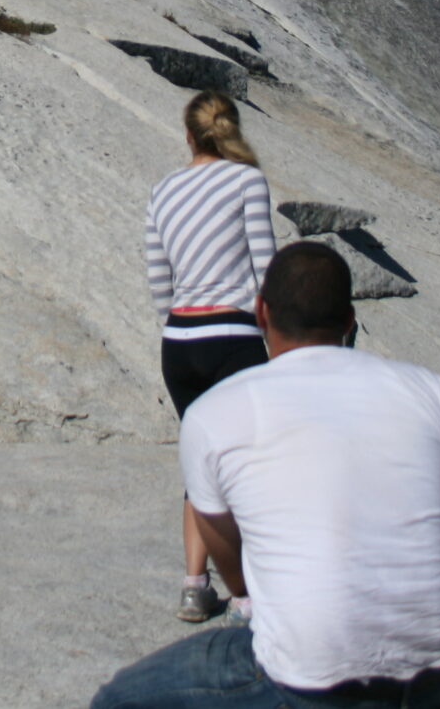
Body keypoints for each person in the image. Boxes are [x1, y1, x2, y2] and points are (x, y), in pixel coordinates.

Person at [93, 242, 440, 709]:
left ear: (261, 313)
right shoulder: (432, 390)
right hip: (436, 674)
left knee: (117, 699)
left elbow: (236, 576)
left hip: (309, 682)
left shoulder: (212, 414)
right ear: (348, 319)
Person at [143, 90, 278, 622]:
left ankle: (195, 583)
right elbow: (264, 267)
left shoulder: (163, 191)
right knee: (246, 462)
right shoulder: (247, 181)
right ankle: (246, 591)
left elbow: (159, 281)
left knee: (200, 463)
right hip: (234, 337)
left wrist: (178, 317)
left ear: (188, 135)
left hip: (179, 342)